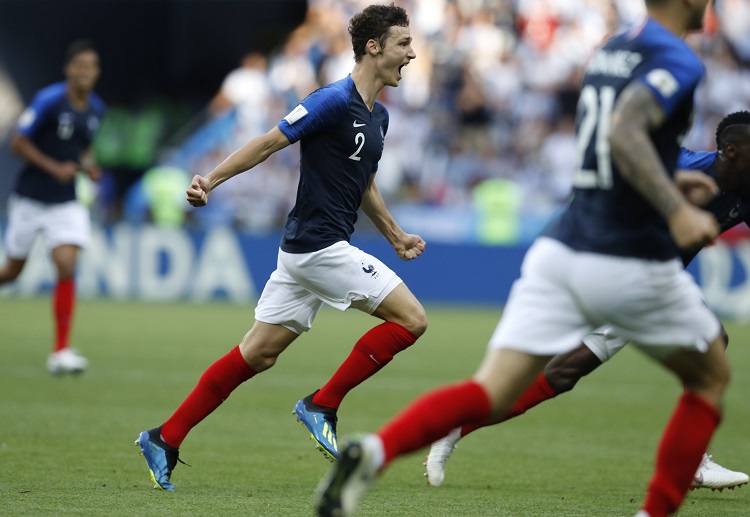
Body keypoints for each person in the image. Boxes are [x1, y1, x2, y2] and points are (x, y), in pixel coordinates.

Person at [316, 2, 728, 517]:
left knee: (490, 390)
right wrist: (675, 208)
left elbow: (611, 144)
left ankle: (374, 451)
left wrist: (666, 176)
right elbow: (625, 134)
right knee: (710, 374)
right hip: (627, 252)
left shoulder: (614, 51)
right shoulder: (680, 60)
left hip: (562, 247)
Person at [135, 3, 425, 492]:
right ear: (373, 48)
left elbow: (364, 182)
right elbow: (271, 142)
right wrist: (211, 179)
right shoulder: (332, 99)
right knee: (412, 320)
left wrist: (394, 234)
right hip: (318, 248)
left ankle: (164, 437)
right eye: (403, 44)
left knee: (257, 353)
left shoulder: (379, 119)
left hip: (309, 252)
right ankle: (323, 404)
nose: (412, 54)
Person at [425, 111, 750, 492]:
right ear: (731, 151)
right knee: (540, 368)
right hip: (605, 268)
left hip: (652, 285)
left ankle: (453, 428)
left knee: (563, 374)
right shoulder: (677, 165)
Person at [0, 40, 105, 375]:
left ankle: (60, 351)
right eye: (80, 65)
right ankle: (60, 350)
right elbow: (17, 142)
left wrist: (89, 165)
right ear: (69, 69)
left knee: (66, 264)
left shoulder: (96, 109)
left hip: (65, 201)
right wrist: (54, 167)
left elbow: (83, 149)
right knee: (12, 271)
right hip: (31, 197)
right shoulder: (48, 100)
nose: (85, 71)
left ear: (97, 72)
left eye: (91, 66)